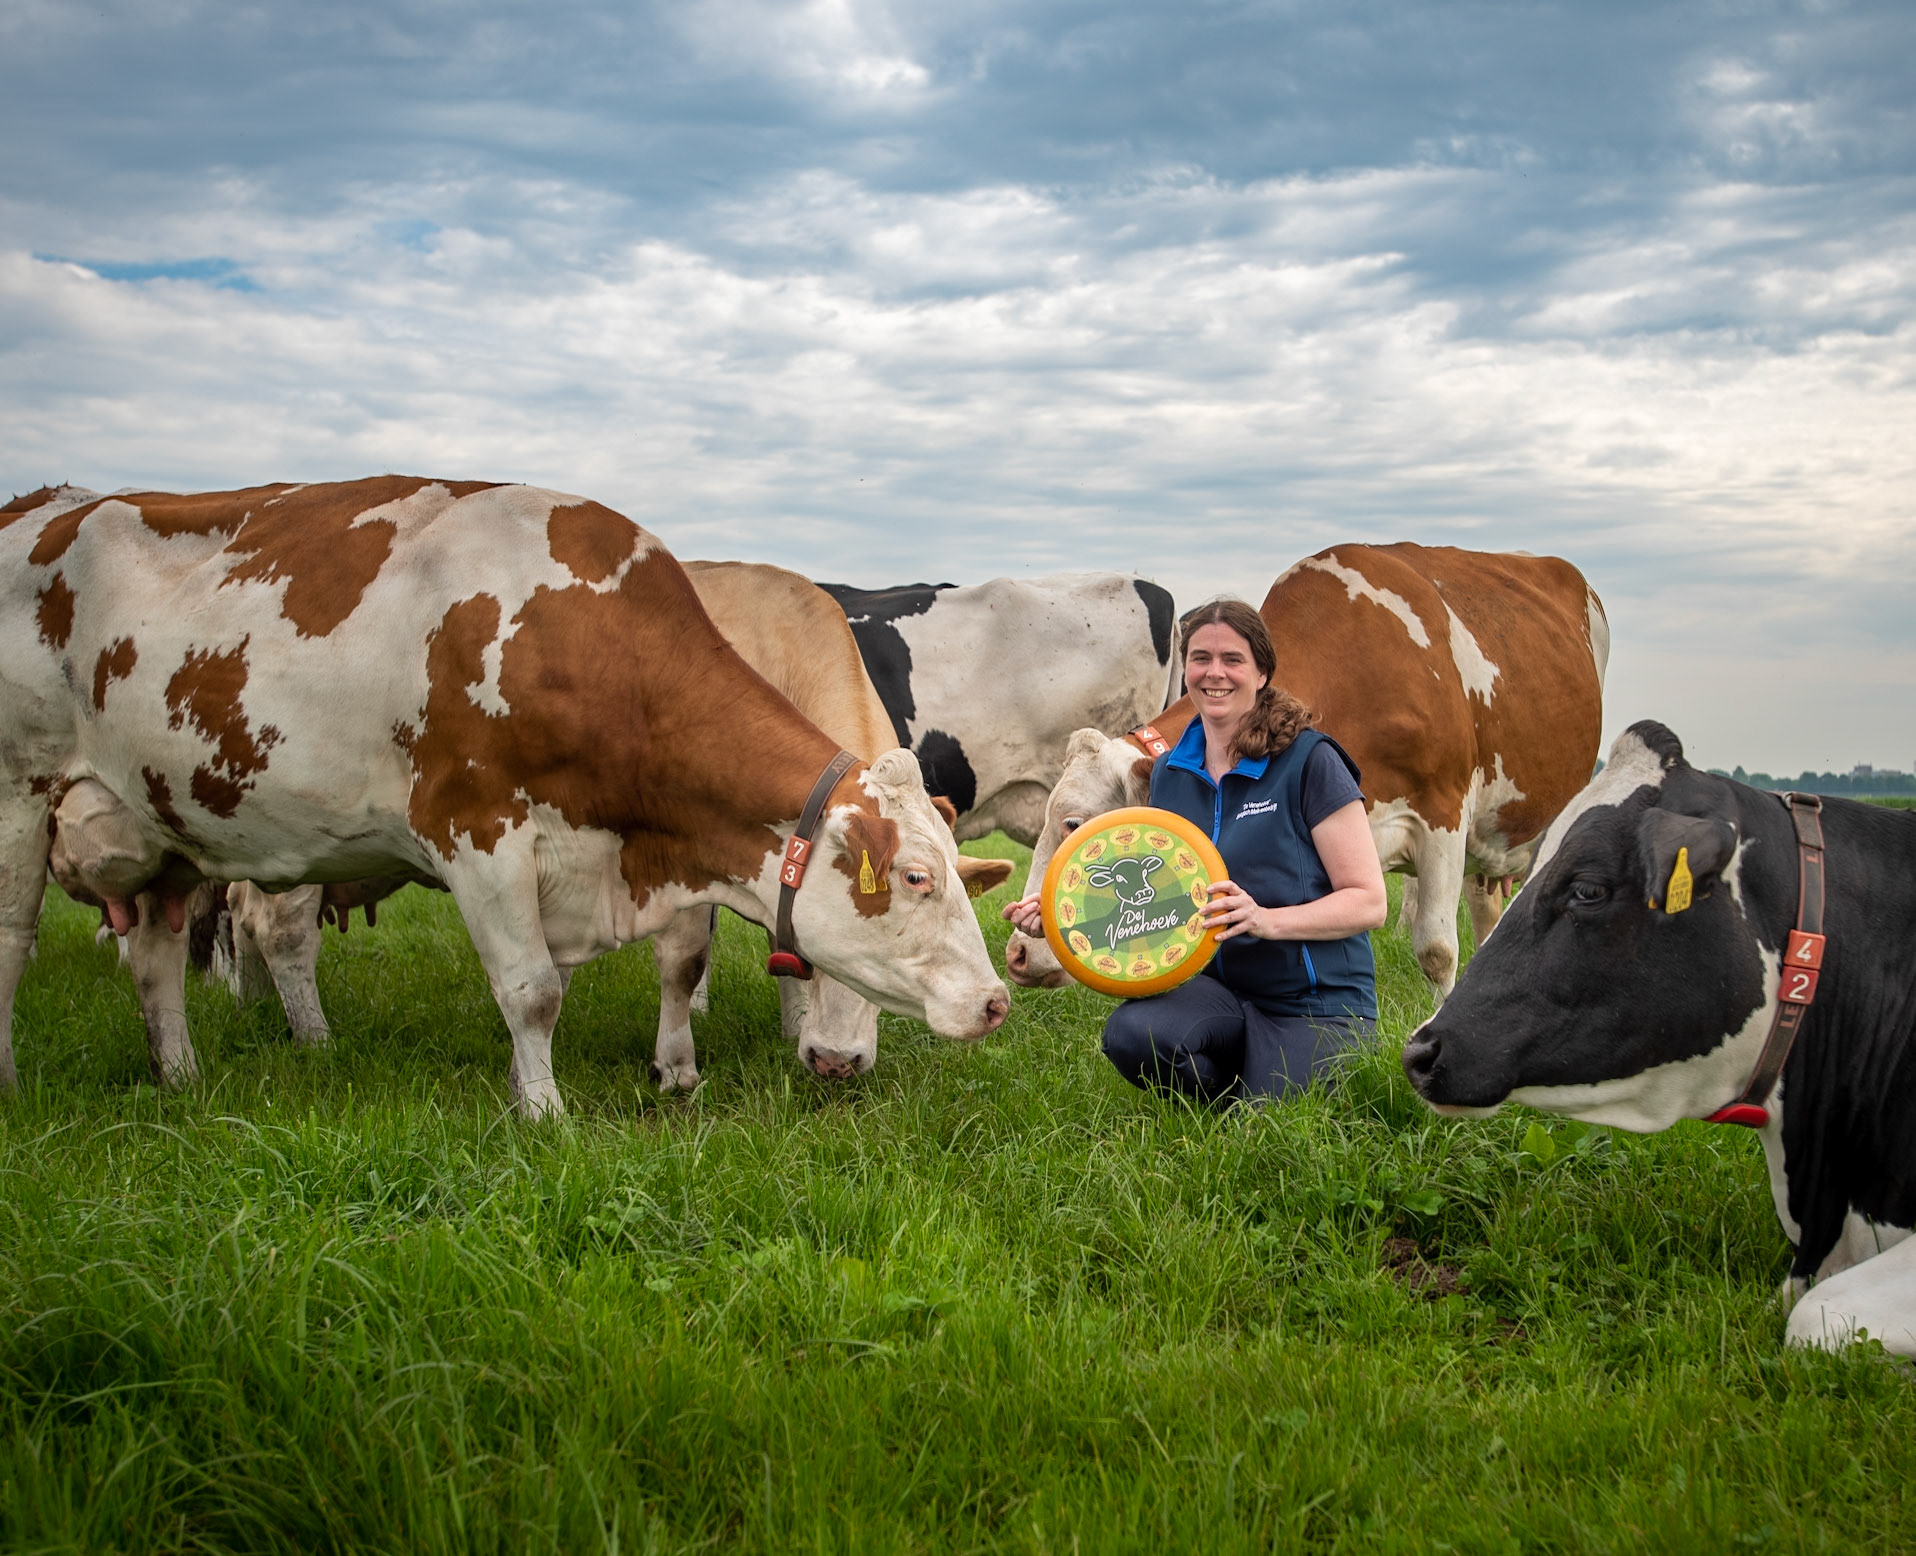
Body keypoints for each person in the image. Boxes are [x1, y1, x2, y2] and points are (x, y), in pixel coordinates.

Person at [1003, 598, 1387, 1105]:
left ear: (1262, 671)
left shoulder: (1310, 762)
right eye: (1201, 658)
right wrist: (1056, 917)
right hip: (1219, 991)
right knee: (1130, 1035)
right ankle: (1220, 1091)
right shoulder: (1170, 773)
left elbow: (1368, 901)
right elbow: (1147, 894)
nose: (1215, 673)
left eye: (1233, 659)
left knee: (1270, 1124)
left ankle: (1257, 1086)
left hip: (1315, 1001)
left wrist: (1266, 920)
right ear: (1186, 670)